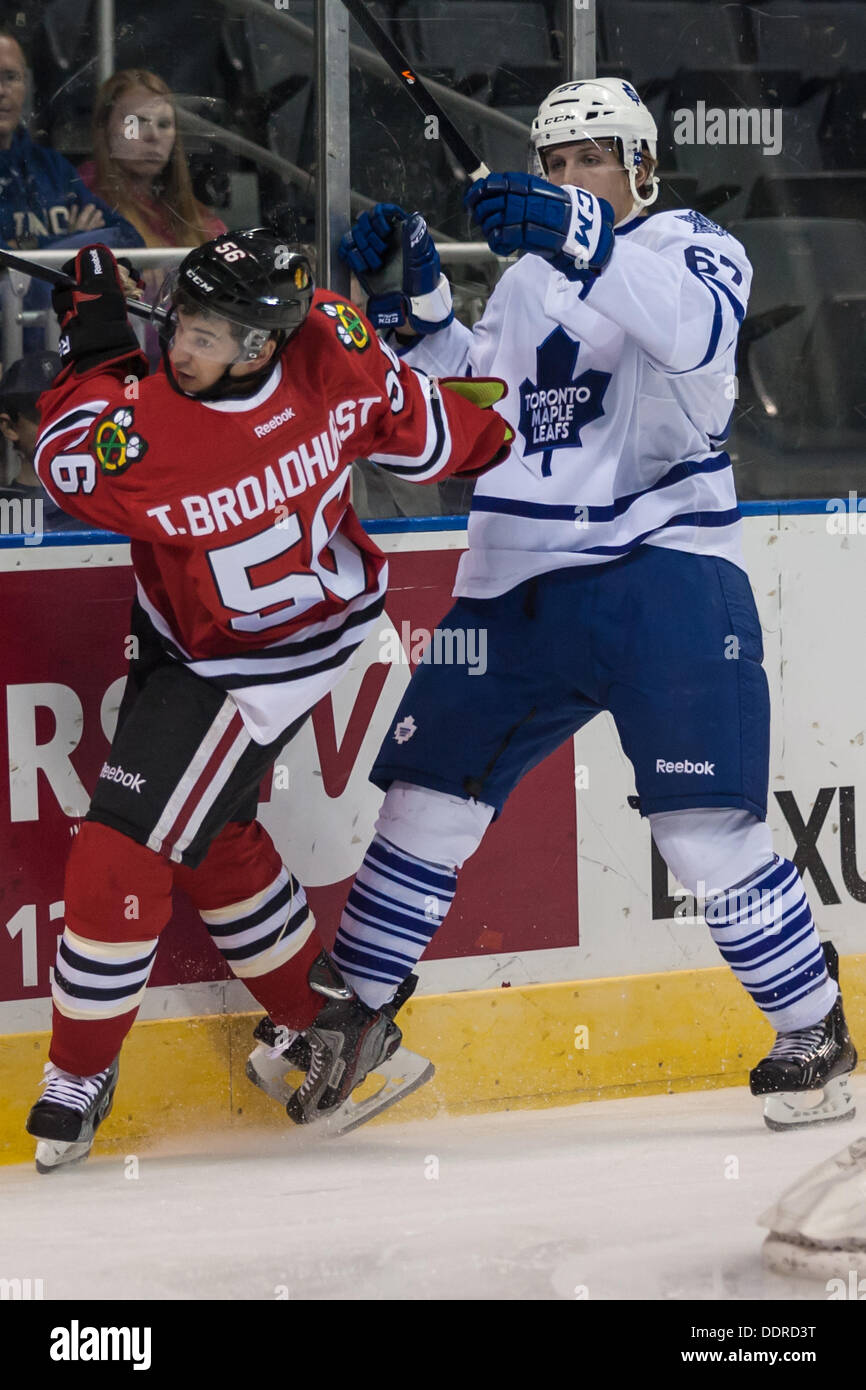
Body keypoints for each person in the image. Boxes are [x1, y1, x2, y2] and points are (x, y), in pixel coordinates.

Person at [258, 78, 858, 1131]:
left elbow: (691, 334)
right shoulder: (533, 276)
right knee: (423, 800)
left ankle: (811, 1025)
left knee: (699, 832)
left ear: (640, 166)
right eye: (557, 161)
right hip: (511, 580)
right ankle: (355, 1019)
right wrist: (420, 314)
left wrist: (577, 234)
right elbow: (490, 401)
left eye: (592, 159)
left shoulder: (692, 245)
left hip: (660, 573)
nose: (571, 176)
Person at [24, 228, 512, 1171]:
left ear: (259, 345)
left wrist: (92, 334)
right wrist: (513, 431)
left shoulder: (161, 443)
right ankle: (327, 1024)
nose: (181, 347)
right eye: (181, 322)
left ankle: (78, 1071)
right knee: (208, 832)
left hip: (243, 667)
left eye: (206, 336)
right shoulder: (331, 336)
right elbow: (434, 431)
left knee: (122, 843)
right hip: (244, 625)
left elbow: (66, 450)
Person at [0, 28, 141, 250]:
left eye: (11, 77)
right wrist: (76, 240)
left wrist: (27, 246)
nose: (2, 91)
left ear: (26, 86)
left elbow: (130, 239)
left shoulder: (50, 166)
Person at [79, 69, 227, 249]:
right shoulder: (82, 201)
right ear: (104, 128)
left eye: (164, 124)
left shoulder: (198, 220)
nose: (154, 136)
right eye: (136, 122)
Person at [0, 351, 89, 533]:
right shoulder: (4, 512)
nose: (65, 428)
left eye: (73, 413)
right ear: (9, 428)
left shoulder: (109, 506)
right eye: (47, 416)